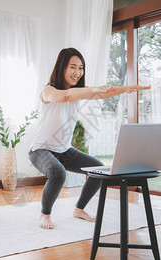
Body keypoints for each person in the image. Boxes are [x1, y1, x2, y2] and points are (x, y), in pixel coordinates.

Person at [29, 48, 150, 229]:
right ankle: (45, 214)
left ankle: (79, 209)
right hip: (40, 150)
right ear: (62, 67)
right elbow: (65, 96)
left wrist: (128, 89)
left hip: (64, 150)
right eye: (72, 67)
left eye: (81, 68)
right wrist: (91, 89)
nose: (77, 72)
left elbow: (104, 93)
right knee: (58, 173)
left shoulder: (79, 92)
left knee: (99, 171)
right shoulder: (48, 90)